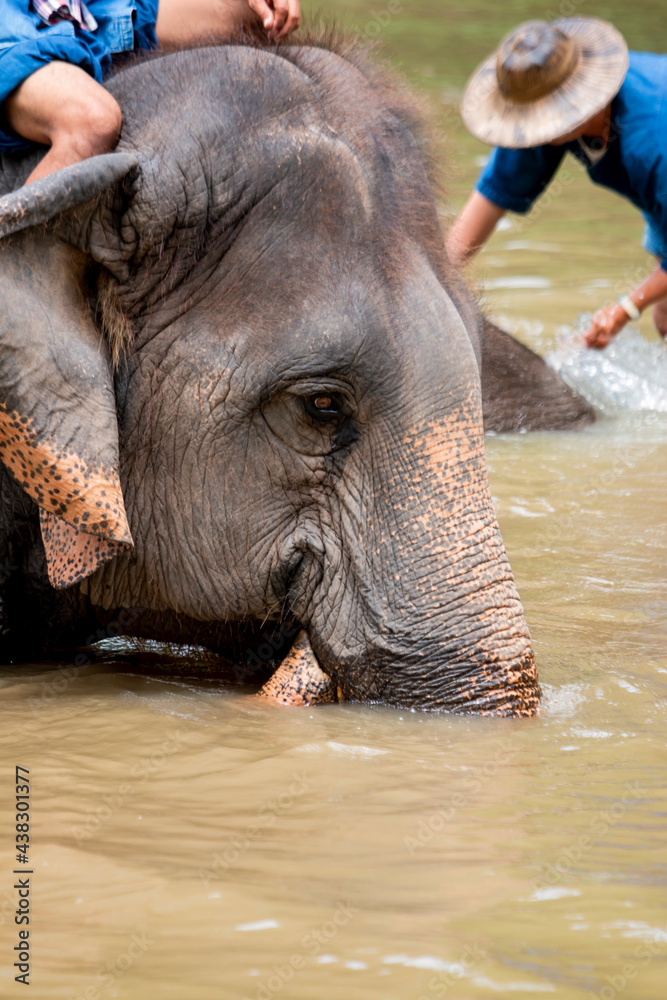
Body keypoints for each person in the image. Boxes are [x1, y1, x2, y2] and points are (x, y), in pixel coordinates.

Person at [445, 17, 667, 350]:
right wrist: (439, 282)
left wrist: (624, 310)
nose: (533, 131)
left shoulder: (651, 140)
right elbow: (489, 201)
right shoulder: (546, 120)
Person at [0, 0, 301, 187]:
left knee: (256, 14)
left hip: (83, 9)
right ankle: (11, 266)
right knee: (91, 122)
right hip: (12, 30)